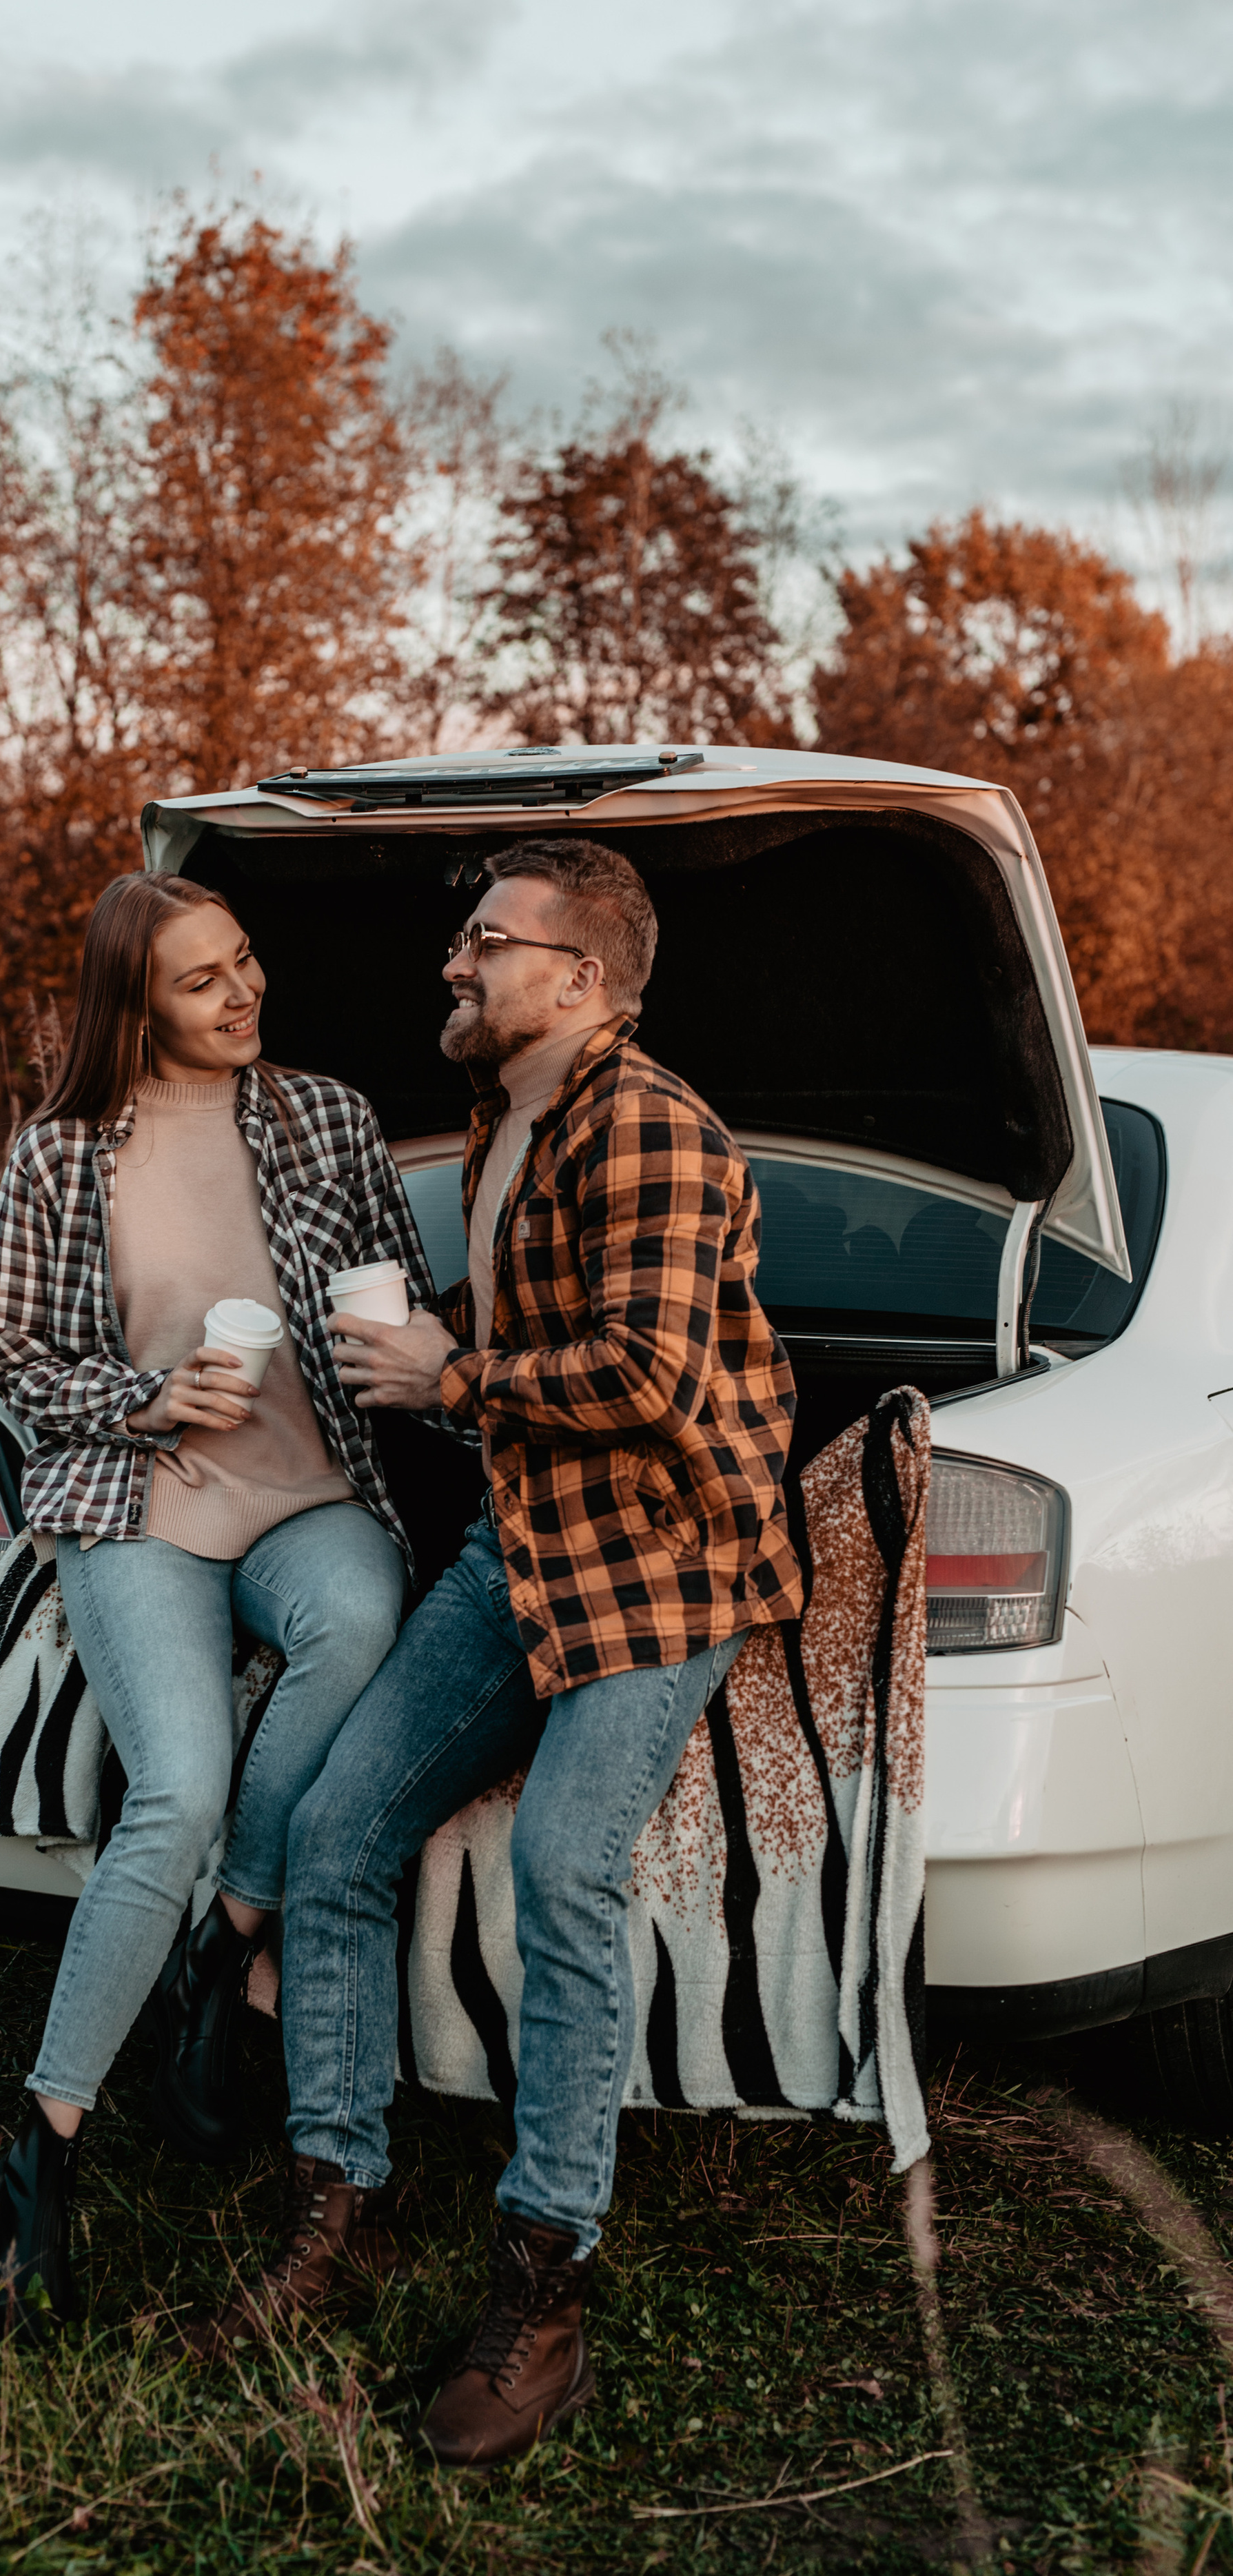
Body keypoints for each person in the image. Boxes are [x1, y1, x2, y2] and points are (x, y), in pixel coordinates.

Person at [184, 836, 804, 2466]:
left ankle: (544, 2285)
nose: (454, 965)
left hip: (660, 1560)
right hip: (520, 1543)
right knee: (334, 1834)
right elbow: (531, 1310)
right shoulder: (501, 1115)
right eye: (462, 940)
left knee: (559, 1866)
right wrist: (424, 1330)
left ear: (579, 977)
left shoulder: (651, 1127)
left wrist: (445, 1380)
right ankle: (338, 2206)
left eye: (488, 942)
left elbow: (649, 1376)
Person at [0, 871, 436, 2342]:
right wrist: (149, 1395)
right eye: (201, 980)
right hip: (142, 1496)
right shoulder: (61, 1154)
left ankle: (224, 1938)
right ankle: (39, 2154)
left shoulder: (326, 1118)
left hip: (305, 1490)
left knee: (359, 1621)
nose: (243, 993)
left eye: (244, 961)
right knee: (171, 1788)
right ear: (135, 1005)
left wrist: (404, 1342)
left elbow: (410, 1294)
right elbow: (14, 1357)